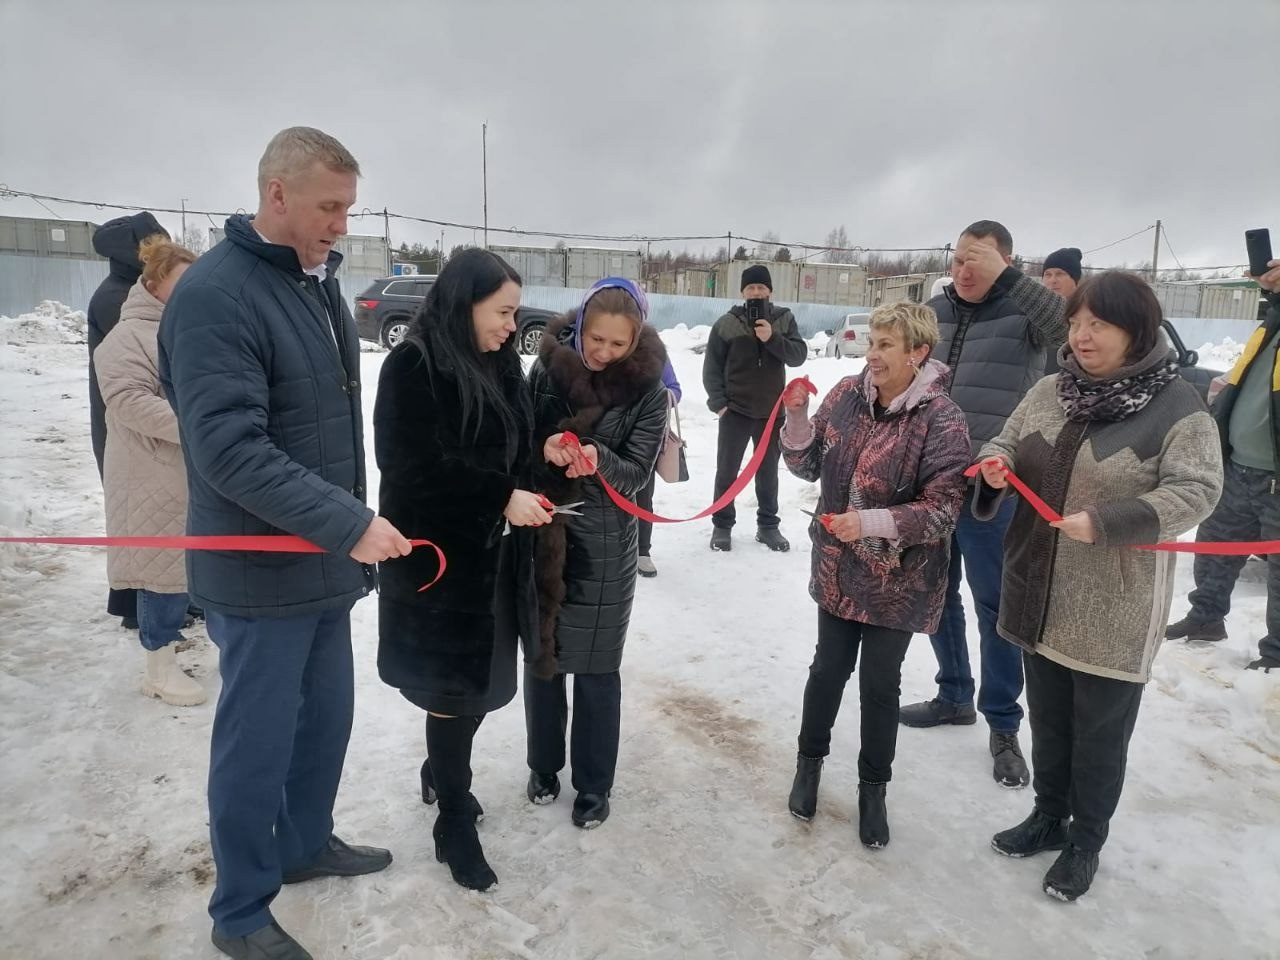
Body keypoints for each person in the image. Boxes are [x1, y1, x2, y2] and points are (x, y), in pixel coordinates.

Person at [159, 127, 408, 960]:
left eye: (348, 206)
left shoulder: (316, 285)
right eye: (330, 206)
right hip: (258, 573)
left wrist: (346, 532)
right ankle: (238, 912)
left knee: (324, 724)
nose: (342, 223)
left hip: (320, 565)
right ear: (277, 195)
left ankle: (304, 844)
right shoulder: (218, 296)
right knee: (255, 746)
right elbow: (229, 449)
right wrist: (349, 524)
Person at [975, 271, 1222, 901]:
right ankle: (1048, 816)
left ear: (1135, 331)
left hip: (1114, 603)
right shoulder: (1050, 390)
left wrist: (1110, 521)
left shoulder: (1178, 407)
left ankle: (1086, 840)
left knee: (1099, 736)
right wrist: (996, 464)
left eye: (1099, 326)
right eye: (1077, 322)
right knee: (1050, 721)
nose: (1082, 336)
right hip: (1040, 588)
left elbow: (1198, 491)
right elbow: (1007, 436)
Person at [374, 248, 549, 892]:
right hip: (439, 570)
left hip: (493, 561)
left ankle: (439, 772)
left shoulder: (500, 363)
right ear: (463, 302)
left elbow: (512, 444)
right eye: (501, 311)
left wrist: (543, 451)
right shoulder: (413, 365)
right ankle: (452, 820)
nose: (511, 324)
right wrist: (498, 496)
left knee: (480, 684)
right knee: (452, 694)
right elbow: (409, 466)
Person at [781, 302, 970, 848]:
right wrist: (797, 418)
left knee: (880, 685)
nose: (874, 355)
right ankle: (808, 765)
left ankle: (873, 789)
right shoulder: (845, 395)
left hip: (899, 580)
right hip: (839, 569)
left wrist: (870, 521)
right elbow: (806, 464)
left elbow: (943, 509)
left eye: (887, 345)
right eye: (872, 343)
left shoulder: (942, 418)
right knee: (827, 670)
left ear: (918, 352)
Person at [899, 220, 1068, 791]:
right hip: (932, 479)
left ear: (1007, 260)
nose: (965, 270)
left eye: (979, 260)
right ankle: (953, 694)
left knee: (995, 604)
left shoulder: (1027, 315)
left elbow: (1067, 329)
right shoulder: (935, 312)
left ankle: (1003, 722)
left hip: (992, 482)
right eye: (958, 260)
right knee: (935, 590)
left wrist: (1013, 281)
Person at [526, 277, 668, 828]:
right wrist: (544, 446)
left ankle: (594, 784)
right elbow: (519, 434)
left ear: (635, 342)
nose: (603, 353)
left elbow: (636, 473)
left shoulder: (649, 393)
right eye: (595, 339)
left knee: (597, 671)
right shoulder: (546, 370)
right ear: (579, 326)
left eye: (617, 344)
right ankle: (542, 766)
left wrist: (597, 457)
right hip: (543, 527)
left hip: (606, 543)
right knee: (543, 659)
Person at [95, 235, 202, 706]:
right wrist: (203, 425)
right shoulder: (126, 337)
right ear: (154, 283)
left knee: (195, 564)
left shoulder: (190, 327)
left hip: (192, 469)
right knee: (162, 571)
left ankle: (178, 647)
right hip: (152, 472)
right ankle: (158, 667)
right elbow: (128, 402)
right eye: (180, 282)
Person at [1166, 257, 1280, 672]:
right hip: (1239, 467)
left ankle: (1277, 654)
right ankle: (1206, 618)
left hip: (1276, 479)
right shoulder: (1269, 328)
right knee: (1215, 548)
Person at [87, 211, 169, 631]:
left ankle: (149, 604)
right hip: (128, 428)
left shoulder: (122, 290)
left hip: (134, 424)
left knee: (149, 520)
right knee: (140, 519)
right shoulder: (118, 299)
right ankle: (138, 611)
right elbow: (131, 387)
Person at [702, 264, 807, 553]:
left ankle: (768, 526)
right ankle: (722, 525)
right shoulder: (727, 323)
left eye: (761, 287)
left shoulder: (784, 319)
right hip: (735, 412)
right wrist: (720, 405)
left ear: (770, 291)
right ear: (742, 292)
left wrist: (772, 337)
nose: (756, 292)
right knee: (727, 471)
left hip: (771, 414)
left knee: (768, 472)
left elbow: (798, 356)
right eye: (751, 288)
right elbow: (711, 368)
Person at [636, 356, 682, 577]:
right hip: (607, 439)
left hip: (646, 440)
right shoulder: (608, 348)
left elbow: (675, 389)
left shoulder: (655, 352)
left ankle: (642, 551)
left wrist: (660, 396)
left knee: (643, 497)